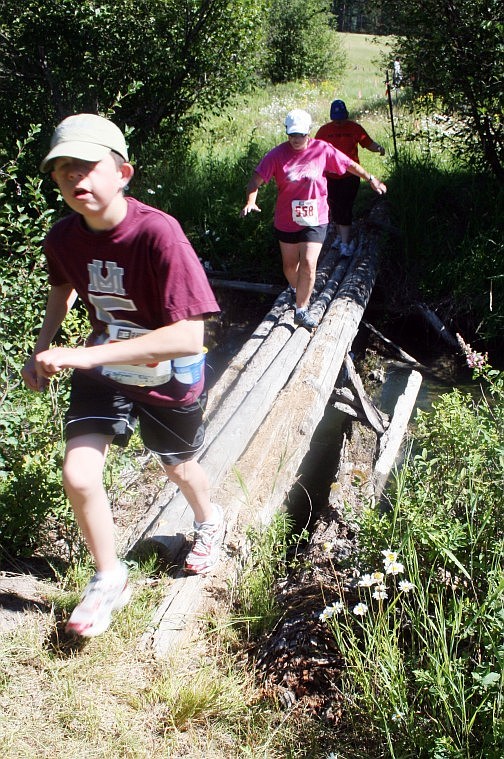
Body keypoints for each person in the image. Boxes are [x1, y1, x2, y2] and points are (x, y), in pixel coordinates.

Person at [21, 113, 223, 638]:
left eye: (87, 167)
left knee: (178, 467)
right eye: (63, 171)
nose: (75, 180)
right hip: (105, 367)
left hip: (168, 375)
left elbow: (188, 337)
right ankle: (110, 576)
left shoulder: (159, 234)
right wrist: (43, 348)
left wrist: (78, 356)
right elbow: (63, 287)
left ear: (123, 172)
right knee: (79, 474)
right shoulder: (63, 237)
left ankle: (208, 523)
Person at [240, 109, 386, 330]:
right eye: (291, 135)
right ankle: (297, 289)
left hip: (315, 217)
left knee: (308, 262)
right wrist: (251, 201)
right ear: (286, 132)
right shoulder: (277, 155)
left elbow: (348, 164)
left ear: (308, 132)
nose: (296, 139)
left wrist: (371, 178)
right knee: (290, 267)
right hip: (287, 219)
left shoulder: (321, 149)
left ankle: (301, 309)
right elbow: (255, 180)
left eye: (300, 134)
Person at [315, 100, 386, 257]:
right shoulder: (324, 131)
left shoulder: (355, 128)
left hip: (350, 175)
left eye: (341, 118)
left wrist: (379, 148)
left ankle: (346, 244)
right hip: (330, 175)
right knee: (335, 207)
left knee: (345, 206)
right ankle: (341, 238)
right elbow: (315, 150)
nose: (339, 122)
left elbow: (368, 143)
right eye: (336, 118)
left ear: (346, 115)